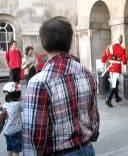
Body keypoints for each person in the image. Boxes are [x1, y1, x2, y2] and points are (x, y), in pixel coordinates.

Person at [23, 17, 100, 155]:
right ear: (70, 41)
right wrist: (92, 136)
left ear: (42, 42)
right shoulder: (87, 73)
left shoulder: (38, 82)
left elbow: (35, 136)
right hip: (87, 149)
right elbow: (93, 115)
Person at [102, 34, 127, 107]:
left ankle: (117, 97)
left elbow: (104, 58)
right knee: (114, 85)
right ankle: (108, 99)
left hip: (110, 68)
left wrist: (103, 68)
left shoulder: (109, 48)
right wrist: (125, 61)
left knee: (116, 82)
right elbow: (124, 61)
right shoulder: (122, 49)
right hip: (116, 69)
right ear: (121, 41)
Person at [2, 82, 23, 156]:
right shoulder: (18, 104)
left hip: (7, 131)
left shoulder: (5, 104)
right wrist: (21, 100)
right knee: (15, 150)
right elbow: (23, 108)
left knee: (10, 148)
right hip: (16, 131)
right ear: (17, 95)